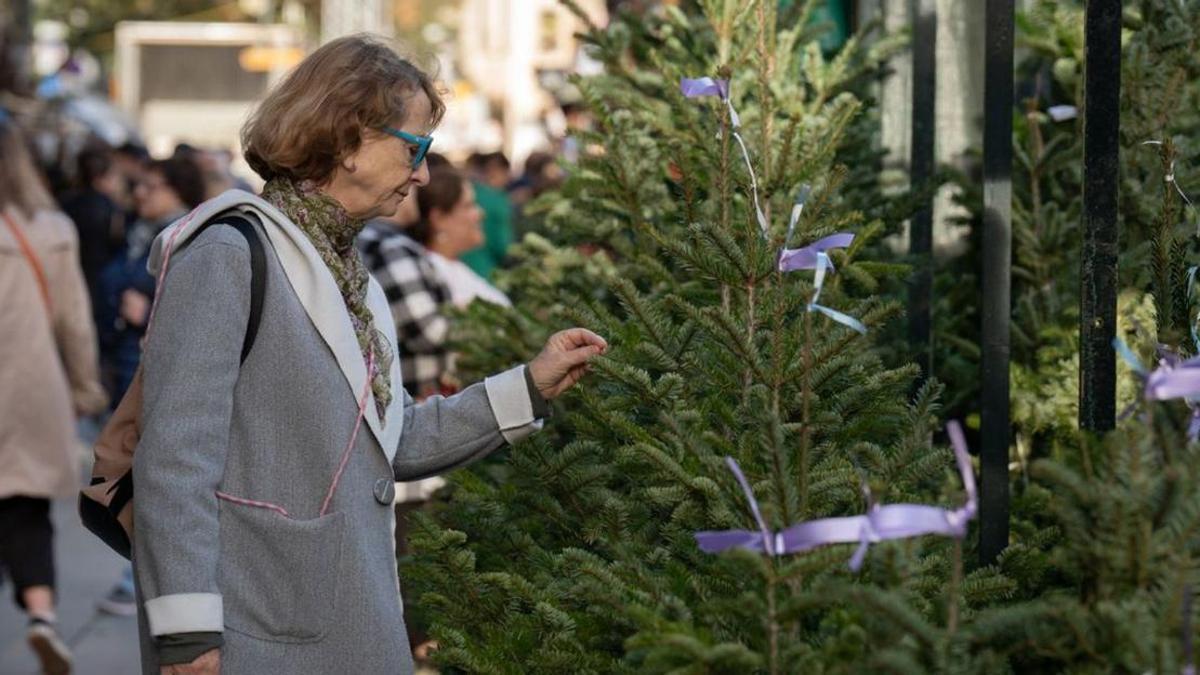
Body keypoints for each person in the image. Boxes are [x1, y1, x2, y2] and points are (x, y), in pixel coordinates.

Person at [132, 34, 606, 675]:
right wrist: (186, 634)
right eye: (415, 147)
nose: (423, 175)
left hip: (332, 624)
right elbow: (173, 458)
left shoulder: (348, 272)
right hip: (255, 636)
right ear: (350, 137)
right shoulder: (228, 252)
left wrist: (529, 385)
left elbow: (392, 442)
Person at [0, 117, 108, 675]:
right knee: (25, 506)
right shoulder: (50, 229)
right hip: (31, 385)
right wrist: (86, 386)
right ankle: (42, 616)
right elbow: (74, 322)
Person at [96, 156, 205, 404]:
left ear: (178, 192)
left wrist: (147, 316)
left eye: (150, 187)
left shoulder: (188, 240)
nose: (139, 193)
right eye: (138, 185)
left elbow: (199, 312)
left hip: (148, 364)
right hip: (121, 358)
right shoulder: (140, 231)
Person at [413, 165, 512, 309]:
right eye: (469, 206)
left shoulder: (450, 267)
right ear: (439, 219)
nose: (480, 213)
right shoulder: (433, 274)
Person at [59, 144, 127, 321]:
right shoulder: (112, 209)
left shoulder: (65, 202)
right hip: (98, 282)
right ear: (100, 178)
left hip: (67, 277)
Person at [460, 151, 513, 279]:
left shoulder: (467, 192)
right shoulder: (498, 200)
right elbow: (503, 245)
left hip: (461, 268)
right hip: (488, 272)